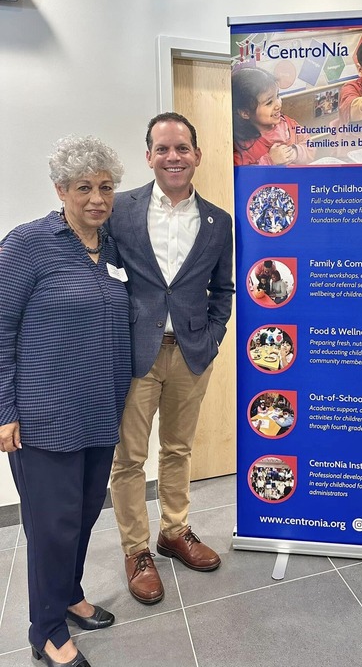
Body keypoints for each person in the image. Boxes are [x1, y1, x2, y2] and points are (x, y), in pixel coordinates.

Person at [0, 136, 130, 667]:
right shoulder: (28, 243)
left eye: (105, 187)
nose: (97, 198)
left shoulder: (112, 246)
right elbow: (2, 327)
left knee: (80, 517)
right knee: (51, 525)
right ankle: (46, 629)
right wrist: (4, 410)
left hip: (101, 409)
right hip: (44, 414)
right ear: (61, 190)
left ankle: (68, 594)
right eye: (84, 188)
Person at [108, 112, 234, 605]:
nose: (173, 157)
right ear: (149, 157)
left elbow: (222, 289)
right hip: (134, 353)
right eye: (162, 149)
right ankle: (136, 550)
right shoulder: (120, 210)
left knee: (178, 449)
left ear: (196, 155)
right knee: (130, 460)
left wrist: (212, 337)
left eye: (181, 148)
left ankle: (174, 531)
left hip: (189, 353)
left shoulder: (217, 221)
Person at [232, 67, 315, 166]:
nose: (278, 104)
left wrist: (295, 153)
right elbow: (244, 177)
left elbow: (310, 144)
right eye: (269, 102)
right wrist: (270, 160)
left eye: (278, 96)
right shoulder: (243, 147)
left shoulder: (288, 123)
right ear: (245, 113)